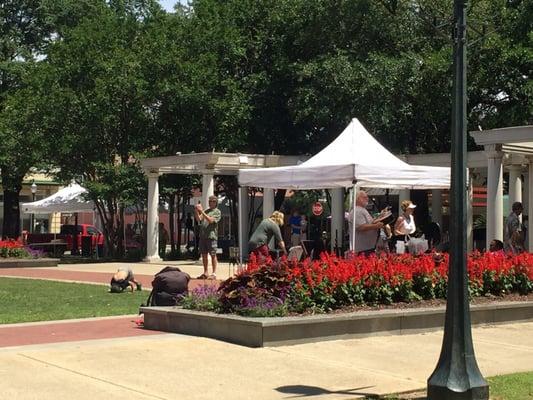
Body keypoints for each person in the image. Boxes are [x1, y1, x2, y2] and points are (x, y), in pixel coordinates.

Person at [349, 190, 384, 256]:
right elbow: (361, 227)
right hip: (362, 249)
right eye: (365, 197)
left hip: (367, 247)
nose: (367, 199)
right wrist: (377, 226)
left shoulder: (361, 209)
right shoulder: (357, 211)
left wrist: (380, 217)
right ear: (358, 199)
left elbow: (370, 223)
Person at [195, 195, 221, 279]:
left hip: (211, 236)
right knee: (204, 255)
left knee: (213, 254)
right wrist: (196, 210)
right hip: (203, 236)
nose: (211, 203)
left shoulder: (217, 212)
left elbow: (210, 220)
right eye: (210, 201)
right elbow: (199, 219)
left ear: (216, 202)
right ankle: (205, 272)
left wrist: (202, 211)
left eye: (213, 201)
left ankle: (214, 273)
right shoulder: (207, 211)